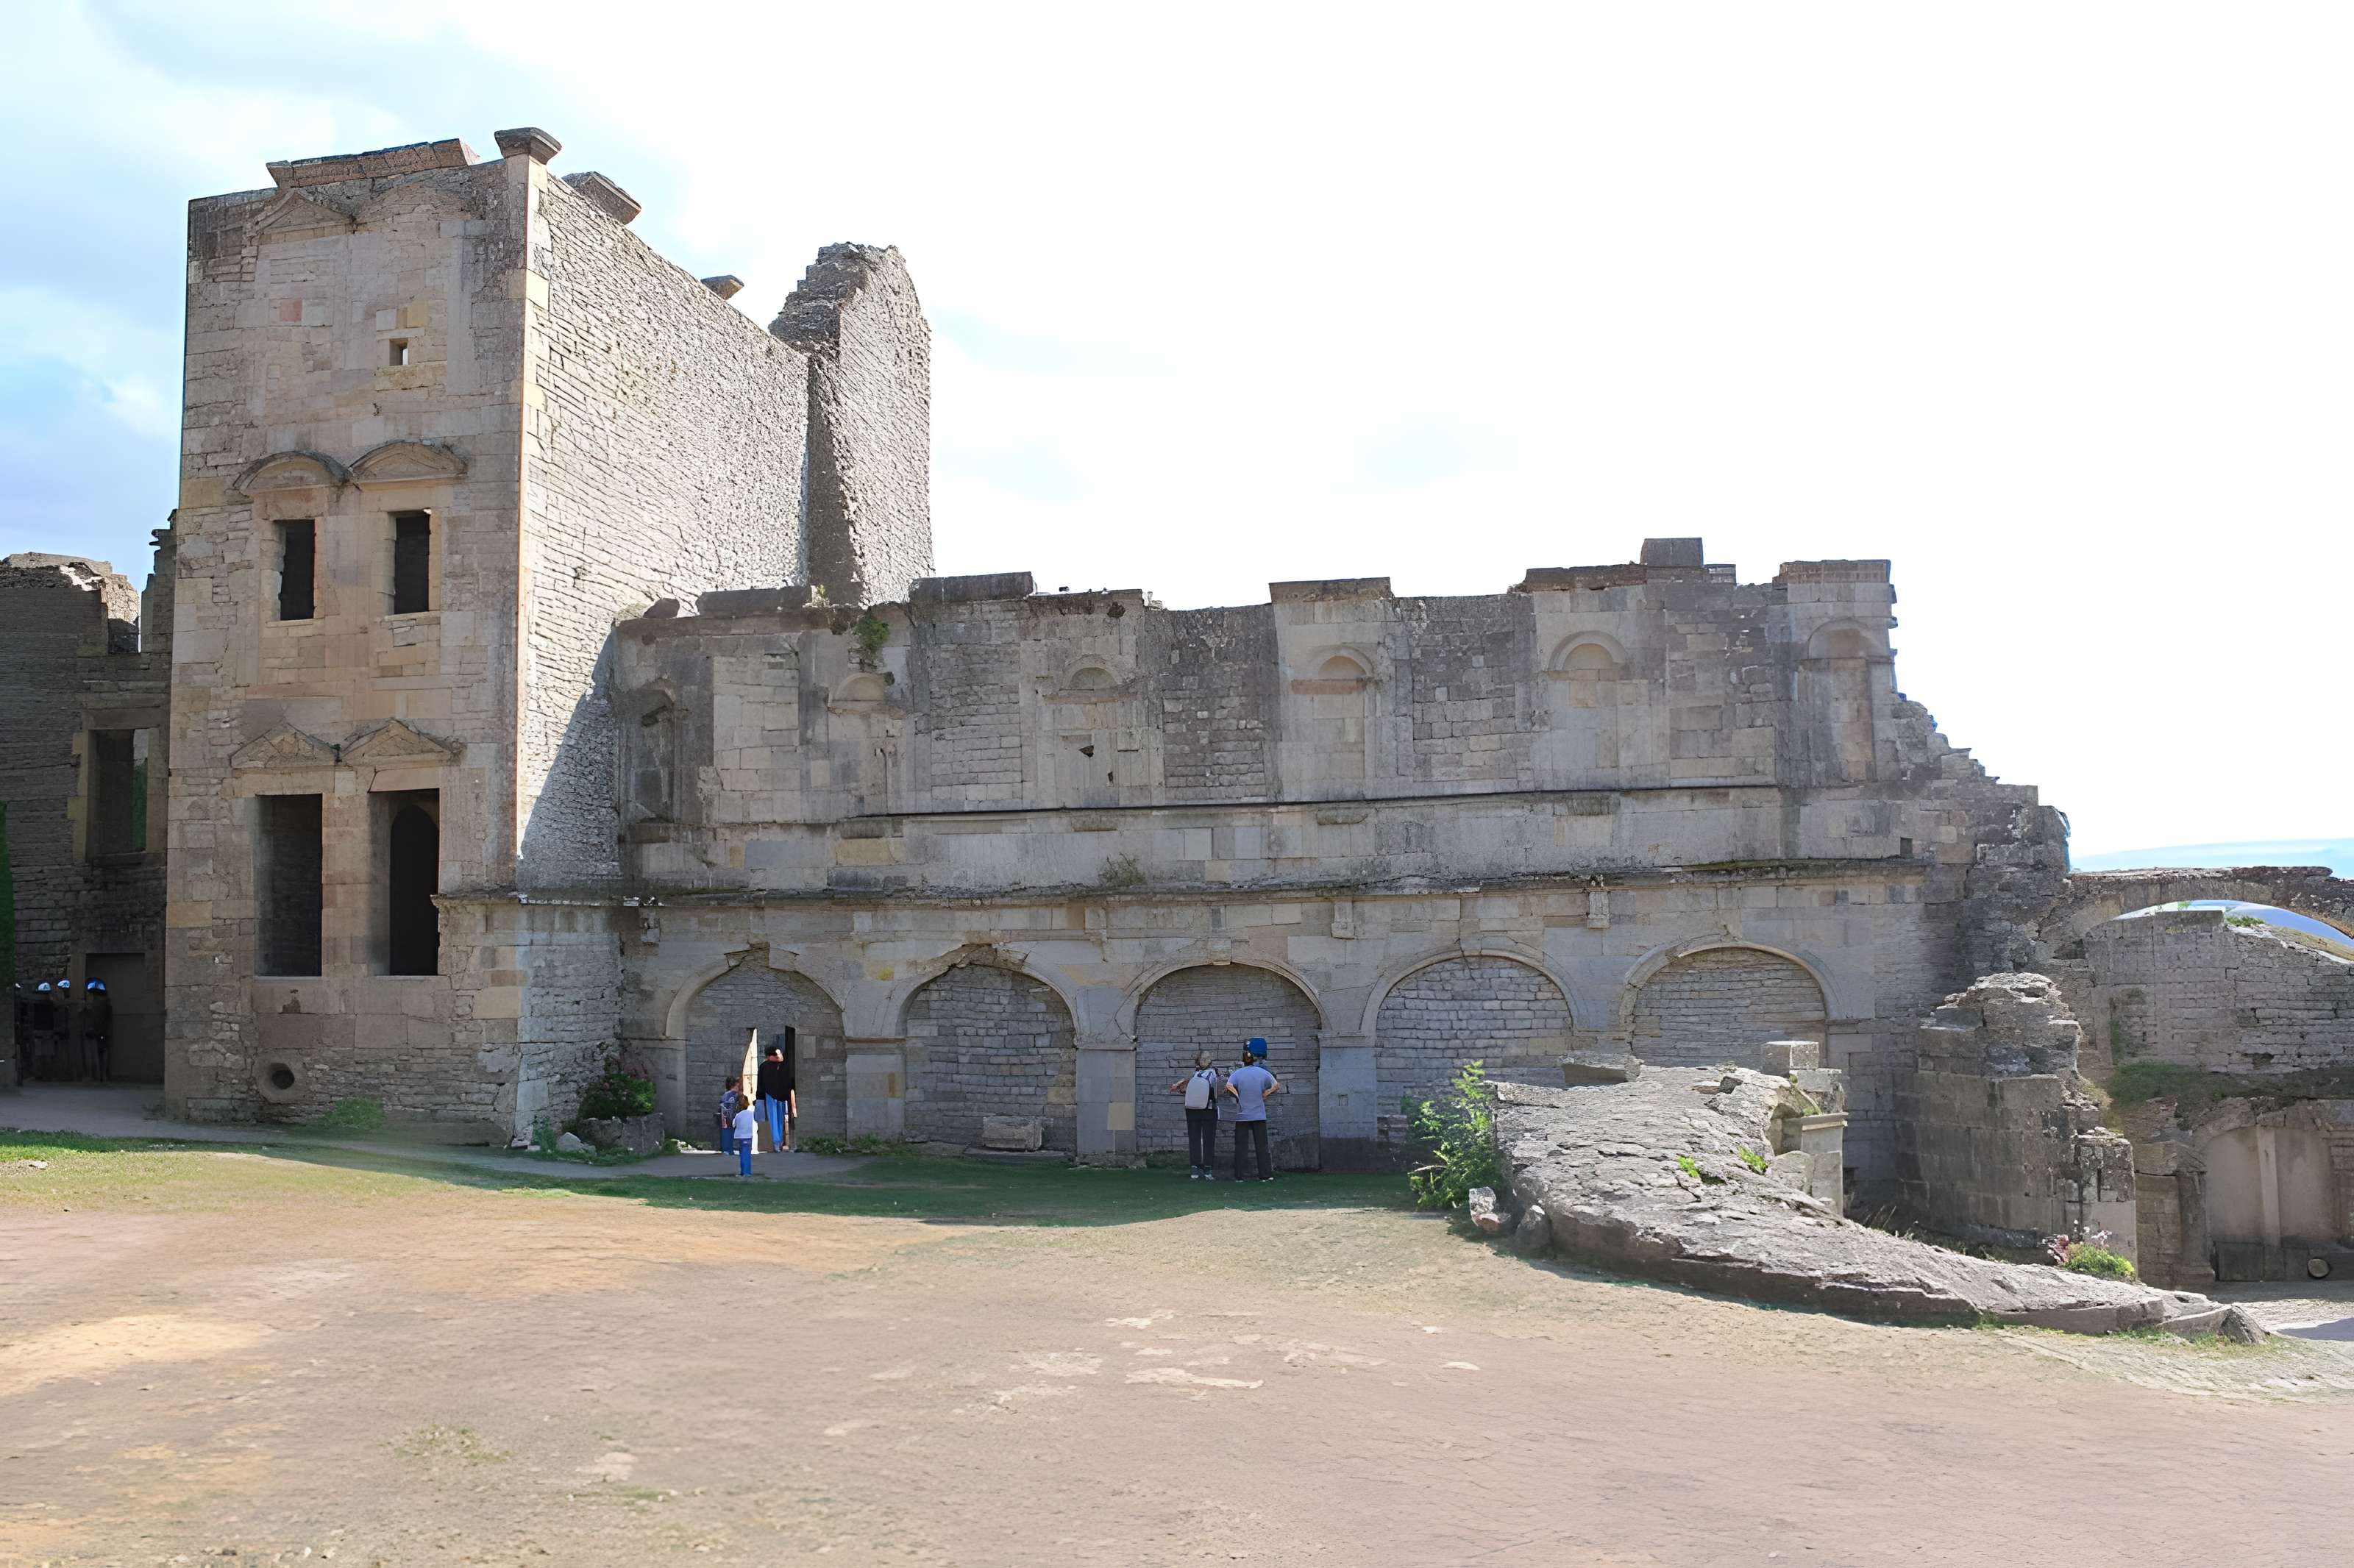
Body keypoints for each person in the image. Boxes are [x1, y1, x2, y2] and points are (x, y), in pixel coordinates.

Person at [1223, 1038, 1284, 1183]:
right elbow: (1276, 1086)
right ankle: (1265, 1175)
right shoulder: (1263, 1073)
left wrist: (1238, 1096)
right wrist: (1265, 1094)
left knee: (1241, 1147)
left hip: (1243, 1115)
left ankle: (1239, 1176)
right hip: (1259, 1114)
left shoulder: (1238, 1073)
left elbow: (1228, 1086)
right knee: (1262, 1146)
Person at [1167, 1051, 1223, 1180]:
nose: (1205, 1060)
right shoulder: (1204, 1074)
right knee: (1199, 1139)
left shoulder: (1201, 1075)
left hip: (1200, 1110)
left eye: (1207, 1058)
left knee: (1202, 1139)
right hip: (1202, 1110)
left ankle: (1202, 1169)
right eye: (1203, 1059)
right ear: (1199, 1061)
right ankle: (1199, 1169)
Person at [755, 1033, 797, 1154]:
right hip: (774, 1096)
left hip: (776, 1096)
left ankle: (777, 1143)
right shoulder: (768, 1066)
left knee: (777, 1119)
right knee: (776, 1120)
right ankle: (776, 1143)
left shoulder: (772, 1066)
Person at [82, 979, 112, 1084]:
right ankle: (103, 1076)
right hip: (104, 1031)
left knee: (93, 1054)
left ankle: (95, 1076)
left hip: (94, 1031)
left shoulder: (92, 1004)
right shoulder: (107, 1002)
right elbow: (109, 1018)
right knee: (104, 1053)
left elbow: (89, 1018)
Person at [716, 1075, 747, 1157]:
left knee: (727, 1133)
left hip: (726, 1117)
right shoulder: (738, 1095)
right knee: (735, 1133)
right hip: (735, 1116)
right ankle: (733, 1149)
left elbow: (721, 1105)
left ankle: (727, 1150)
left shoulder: (726, 1095)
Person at [731, 1094, 758, 1177]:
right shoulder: (752, 1114)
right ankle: (747, 1172)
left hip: (740, 1137)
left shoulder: (738, 1116)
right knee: (747, 1155)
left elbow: (733, 1125)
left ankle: (744, 1172)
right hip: (749, 1136)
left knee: (742, 1155)